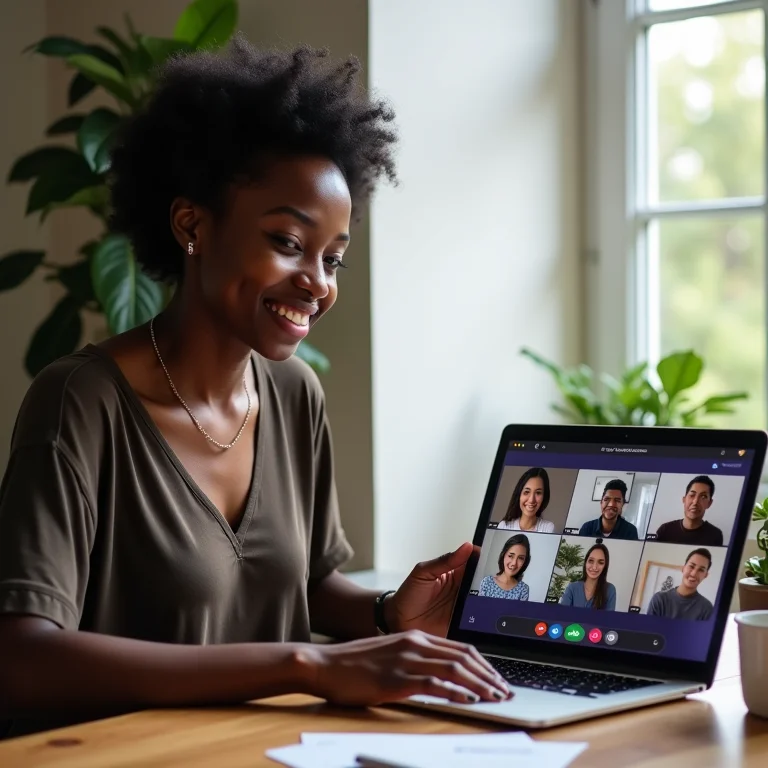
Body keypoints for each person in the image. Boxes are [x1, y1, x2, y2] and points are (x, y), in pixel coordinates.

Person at [0, 39, 511, 739]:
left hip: (271, 751)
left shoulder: (295, 394)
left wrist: (388, 614)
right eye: (288, 242)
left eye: (333, 258)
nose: (318, 283)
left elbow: (305, 587)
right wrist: (305, 667)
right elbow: (22, 658)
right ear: (192, 226)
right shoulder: (80, 405)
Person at [654, 476, 723, 547]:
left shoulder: (715, 535)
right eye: (692, 495)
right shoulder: (665, 530)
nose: (695, 502)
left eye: (703, 497)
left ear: (709, 503)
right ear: (684, 499)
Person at [646, 549, 714, 621]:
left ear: (705, 575)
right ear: (683, 568)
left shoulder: (707, 608)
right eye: (691, 566)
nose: (694, 573)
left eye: (701, 570)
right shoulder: (660, 599)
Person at [497, 467, 555, 533]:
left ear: (544, 497)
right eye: (526, 492)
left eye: (538, 493)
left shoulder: (548, 528)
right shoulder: (504, 526)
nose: (531, 500)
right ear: (519, 495)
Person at [560, 543, 616, 611]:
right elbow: (562, 615)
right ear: (585, 563)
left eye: (600, 562)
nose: (594, 567)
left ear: (605, 566)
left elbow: (608, 620)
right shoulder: (572, 588)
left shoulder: (610, 590)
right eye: (591, 561)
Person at [478, 535, 531, 600]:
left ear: (525, 562)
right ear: (504, 555)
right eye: (510, 556)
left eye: (520, 558)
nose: (514, 563)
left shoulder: (523, 589)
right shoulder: (487, 582)